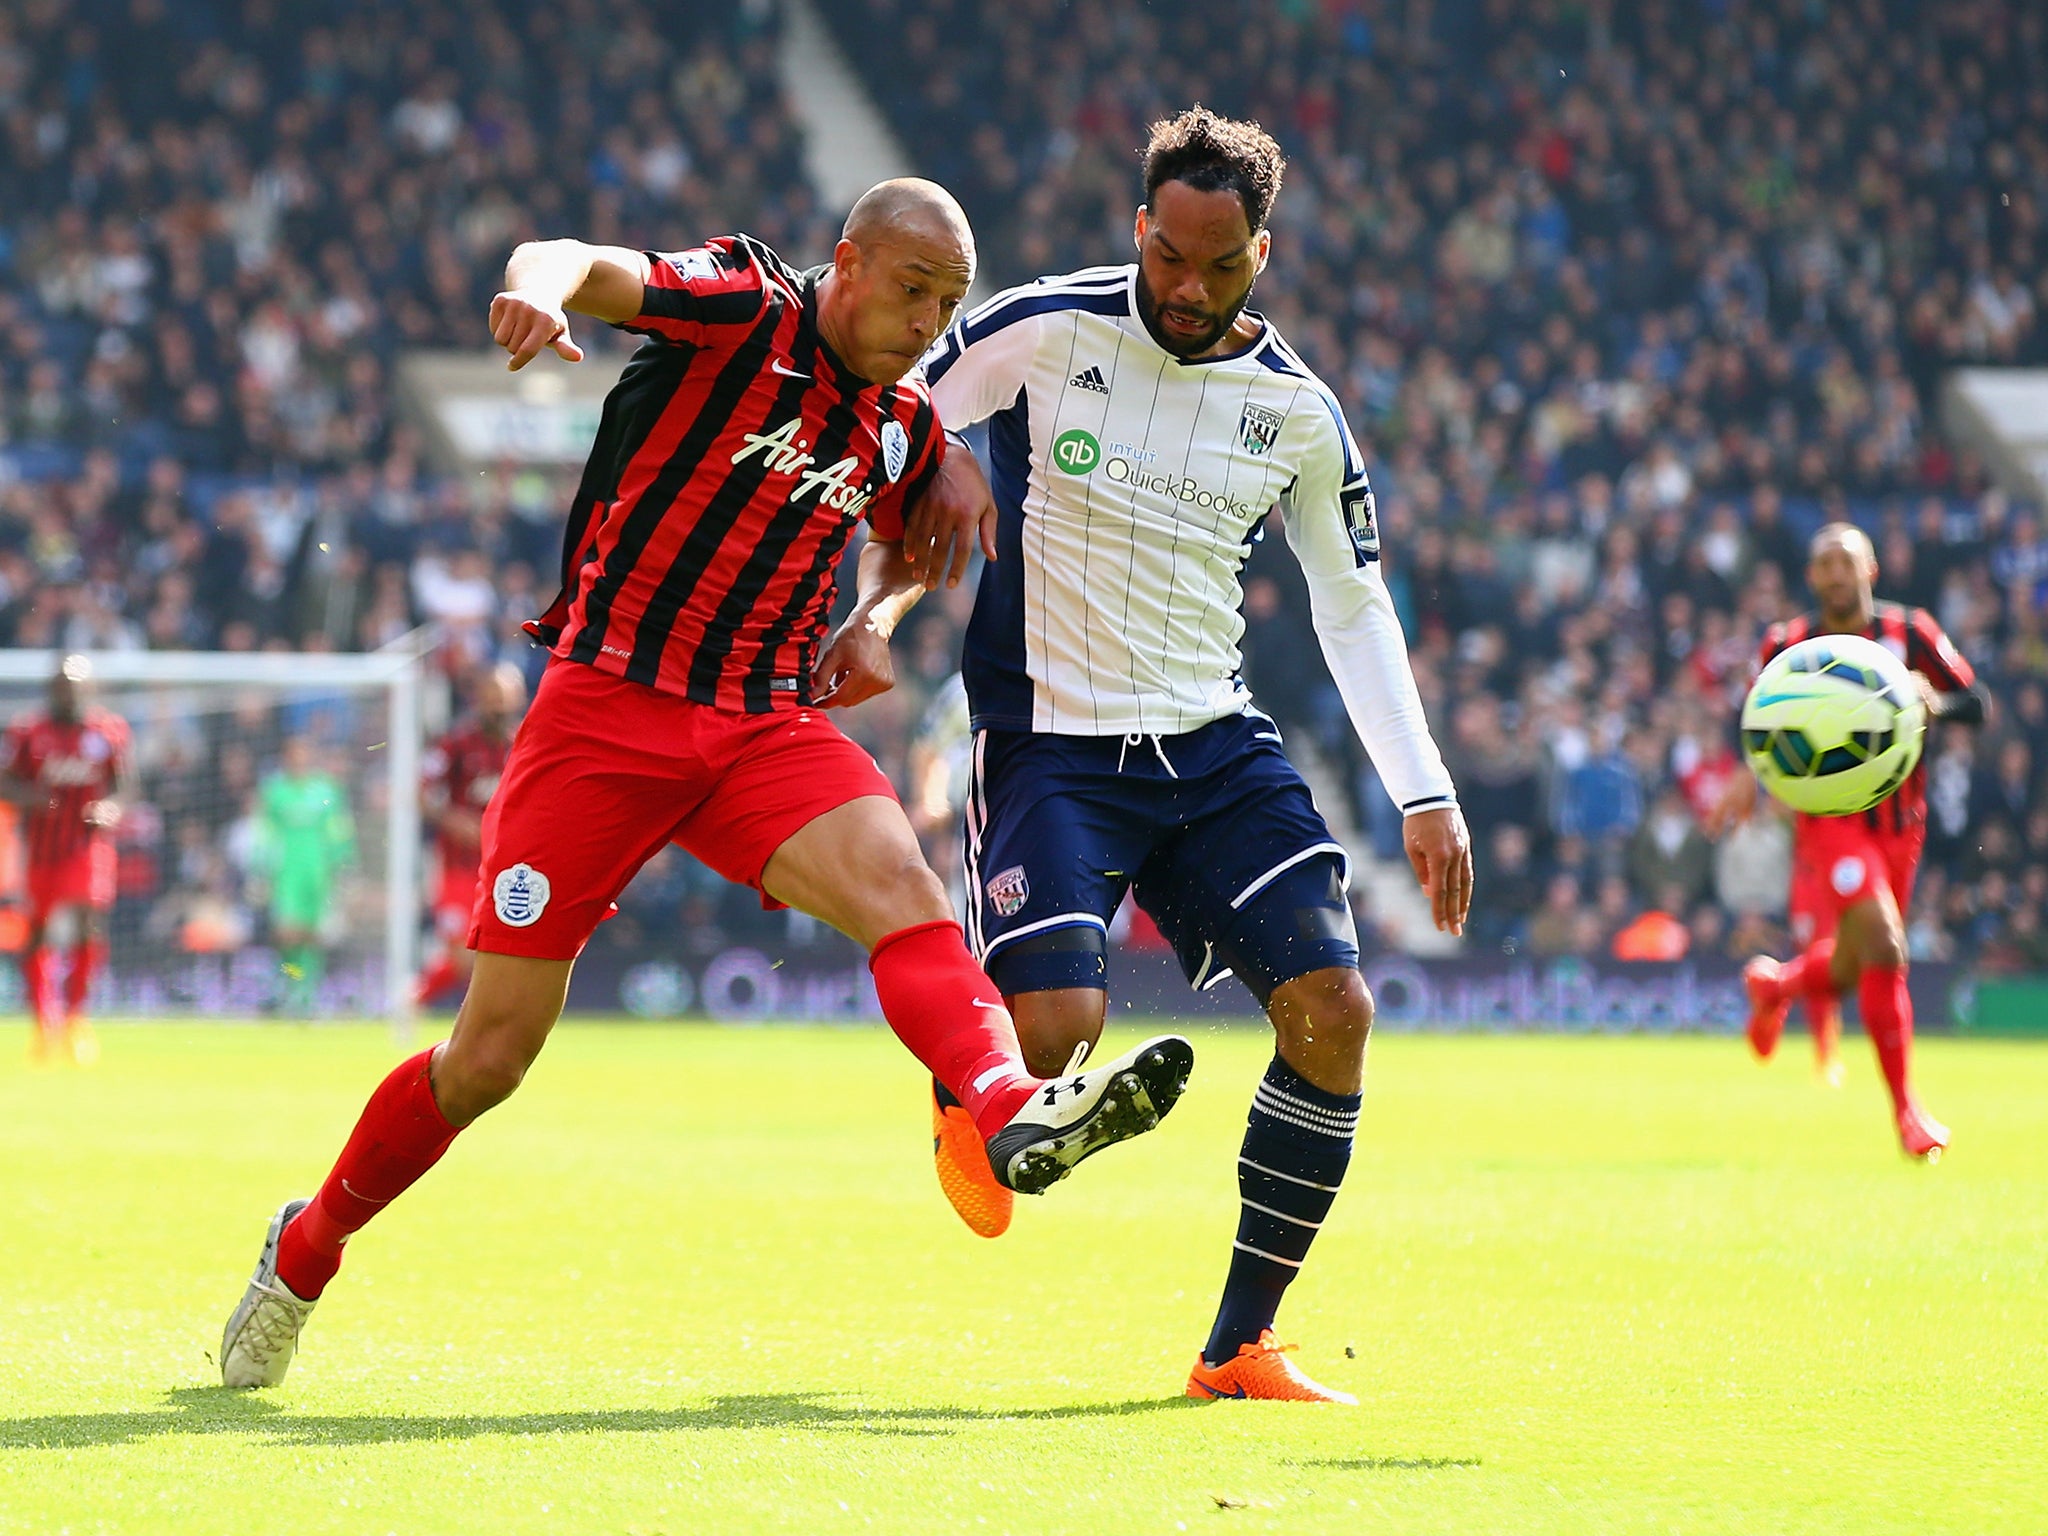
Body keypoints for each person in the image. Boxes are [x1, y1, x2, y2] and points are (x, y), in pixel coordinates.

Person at [219, 180, 1194, 1389]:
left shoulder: (895, 424)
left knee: (904, 886)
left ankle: (1003, 1107)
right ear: (843, 262)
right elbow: (575, 251)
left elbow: (904, 534)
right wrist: (533, 285)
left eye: (945, 303)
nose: (924, 321)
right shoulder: (742, 306)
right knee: (488, 1060)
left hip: (756, 727)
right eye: (908, 290)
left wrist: (878, 611)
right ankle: (304, 1250)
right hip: (606, 713)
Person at [899, 110, 1471, 1403]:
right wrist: (936, 457)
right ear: (1139, 230)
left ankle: (1238, 1347)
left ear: (1261, 255)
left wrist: (1424, 791)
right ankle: (967, 1079)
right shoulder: (1045, 326)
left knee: (1335, 1014)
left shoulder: (1301, 412)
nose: (1188, 289)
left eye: (1221, 267)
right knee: (1054, 1037)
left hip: (1212, 745)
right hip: (1050, 740)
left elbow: (1351, 602)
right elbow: (893, 398)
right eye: (1170, 257)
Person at [1713, 523, 1989, 1159]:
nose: (1835, 574)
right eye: (1824, 564)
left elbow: (1976, 701)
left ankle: (1779, 985)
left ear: (1871, 571)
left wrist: (1933, 704)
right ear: (1811, 577)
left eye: (1846, 562)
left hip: (1901, 823)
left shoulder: (1911, 631)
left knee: (1854, 959)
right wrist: (1744, 775)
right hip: (1829, 822)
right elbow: (1762, 721)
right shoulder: (1785, 642)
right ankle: (1908, 1116)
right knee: (1887, 946)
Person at [2, 655, 128, 1066]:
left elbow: (126, 788)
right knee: (37, 933)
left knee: (87, 922)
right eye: (61, 686)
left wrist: (111, 808)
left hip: (86, 847)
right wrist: (31, 798)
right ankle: (45, 1022)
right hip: (40, 852)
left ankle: (75, 1019)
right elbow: (5, 781)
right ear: (51, 690)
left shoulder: (107, 733)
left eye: (75, 686)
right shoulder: (28, 732)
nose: (68, 694)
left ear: (87, 690)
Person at [414, 663, 527, 1006]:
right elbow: (421, 792)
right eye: (492, 698)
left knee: (495, 958)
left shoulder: (525, 744)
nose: (498, 707)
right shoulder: (455, 744)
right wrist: (454, 820)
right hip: (458, 867)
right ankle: (411, 999)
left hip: (507, 870)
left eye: (505, 700)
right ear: (479, 698)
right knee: (464, 957)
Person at [257, 736, 356, 1016]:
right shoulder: (275, 791)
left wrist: (344, 862)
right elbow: (265, 831)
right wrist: (260, 867)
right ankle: (290, 986)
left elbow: (339, 828)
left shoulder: (326, 790)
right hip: (286, 872)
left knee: (313, 936)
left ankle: (305, 996)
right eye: (293, 754)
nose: (298, 759)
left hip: (319, 872)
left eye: (303, 753)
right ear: (285, 757)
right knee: (287, 934)